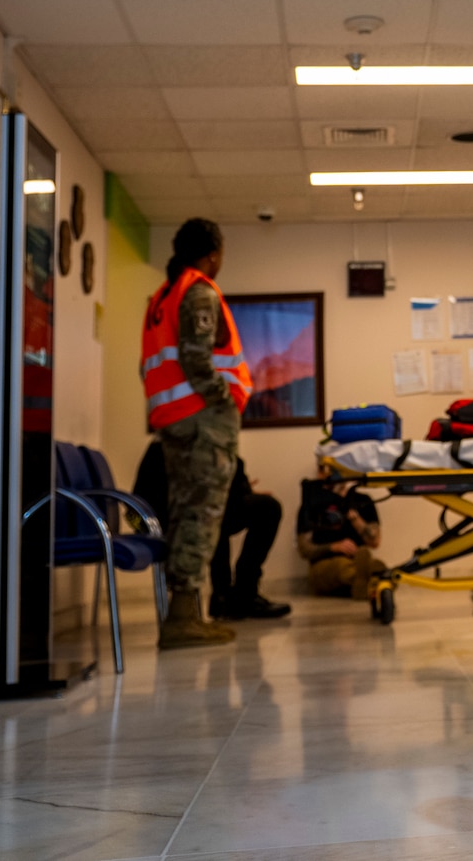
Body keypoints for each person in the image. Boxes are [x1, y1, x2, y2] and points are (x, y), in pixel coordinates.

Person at [139, 218, 254, 648]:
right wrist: (223, 402)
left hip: (173, 419)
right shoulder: (199, 291)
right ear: (212, 254)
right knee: (201, 517)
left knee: (185, 512)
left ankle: (185, 611)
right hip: (203, 419)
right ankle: (183, 617)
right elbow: (196, 358)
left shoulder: (162, 297)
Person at [134, 443, 290, 621]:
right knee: (214, 514)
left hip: (195, 514)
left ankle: (240, 593)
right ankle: (226, 595)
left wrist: (243, 489)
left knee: (265, 508)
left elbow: (231, 480)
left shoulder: (205, 442)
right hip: (172, 520)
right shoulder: (172, 447)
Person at [296, 473, 384, 598]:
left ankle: (363, 583)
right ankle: (371, 582)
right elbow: (304, 549)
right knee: (341, 565)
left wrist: (355, 518)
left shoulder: (363, 500)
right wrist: (333, 547)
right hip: (323, 564)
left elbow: (375, 542)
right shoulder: (313, 502)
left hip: (355, 558)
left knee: (374, 565)